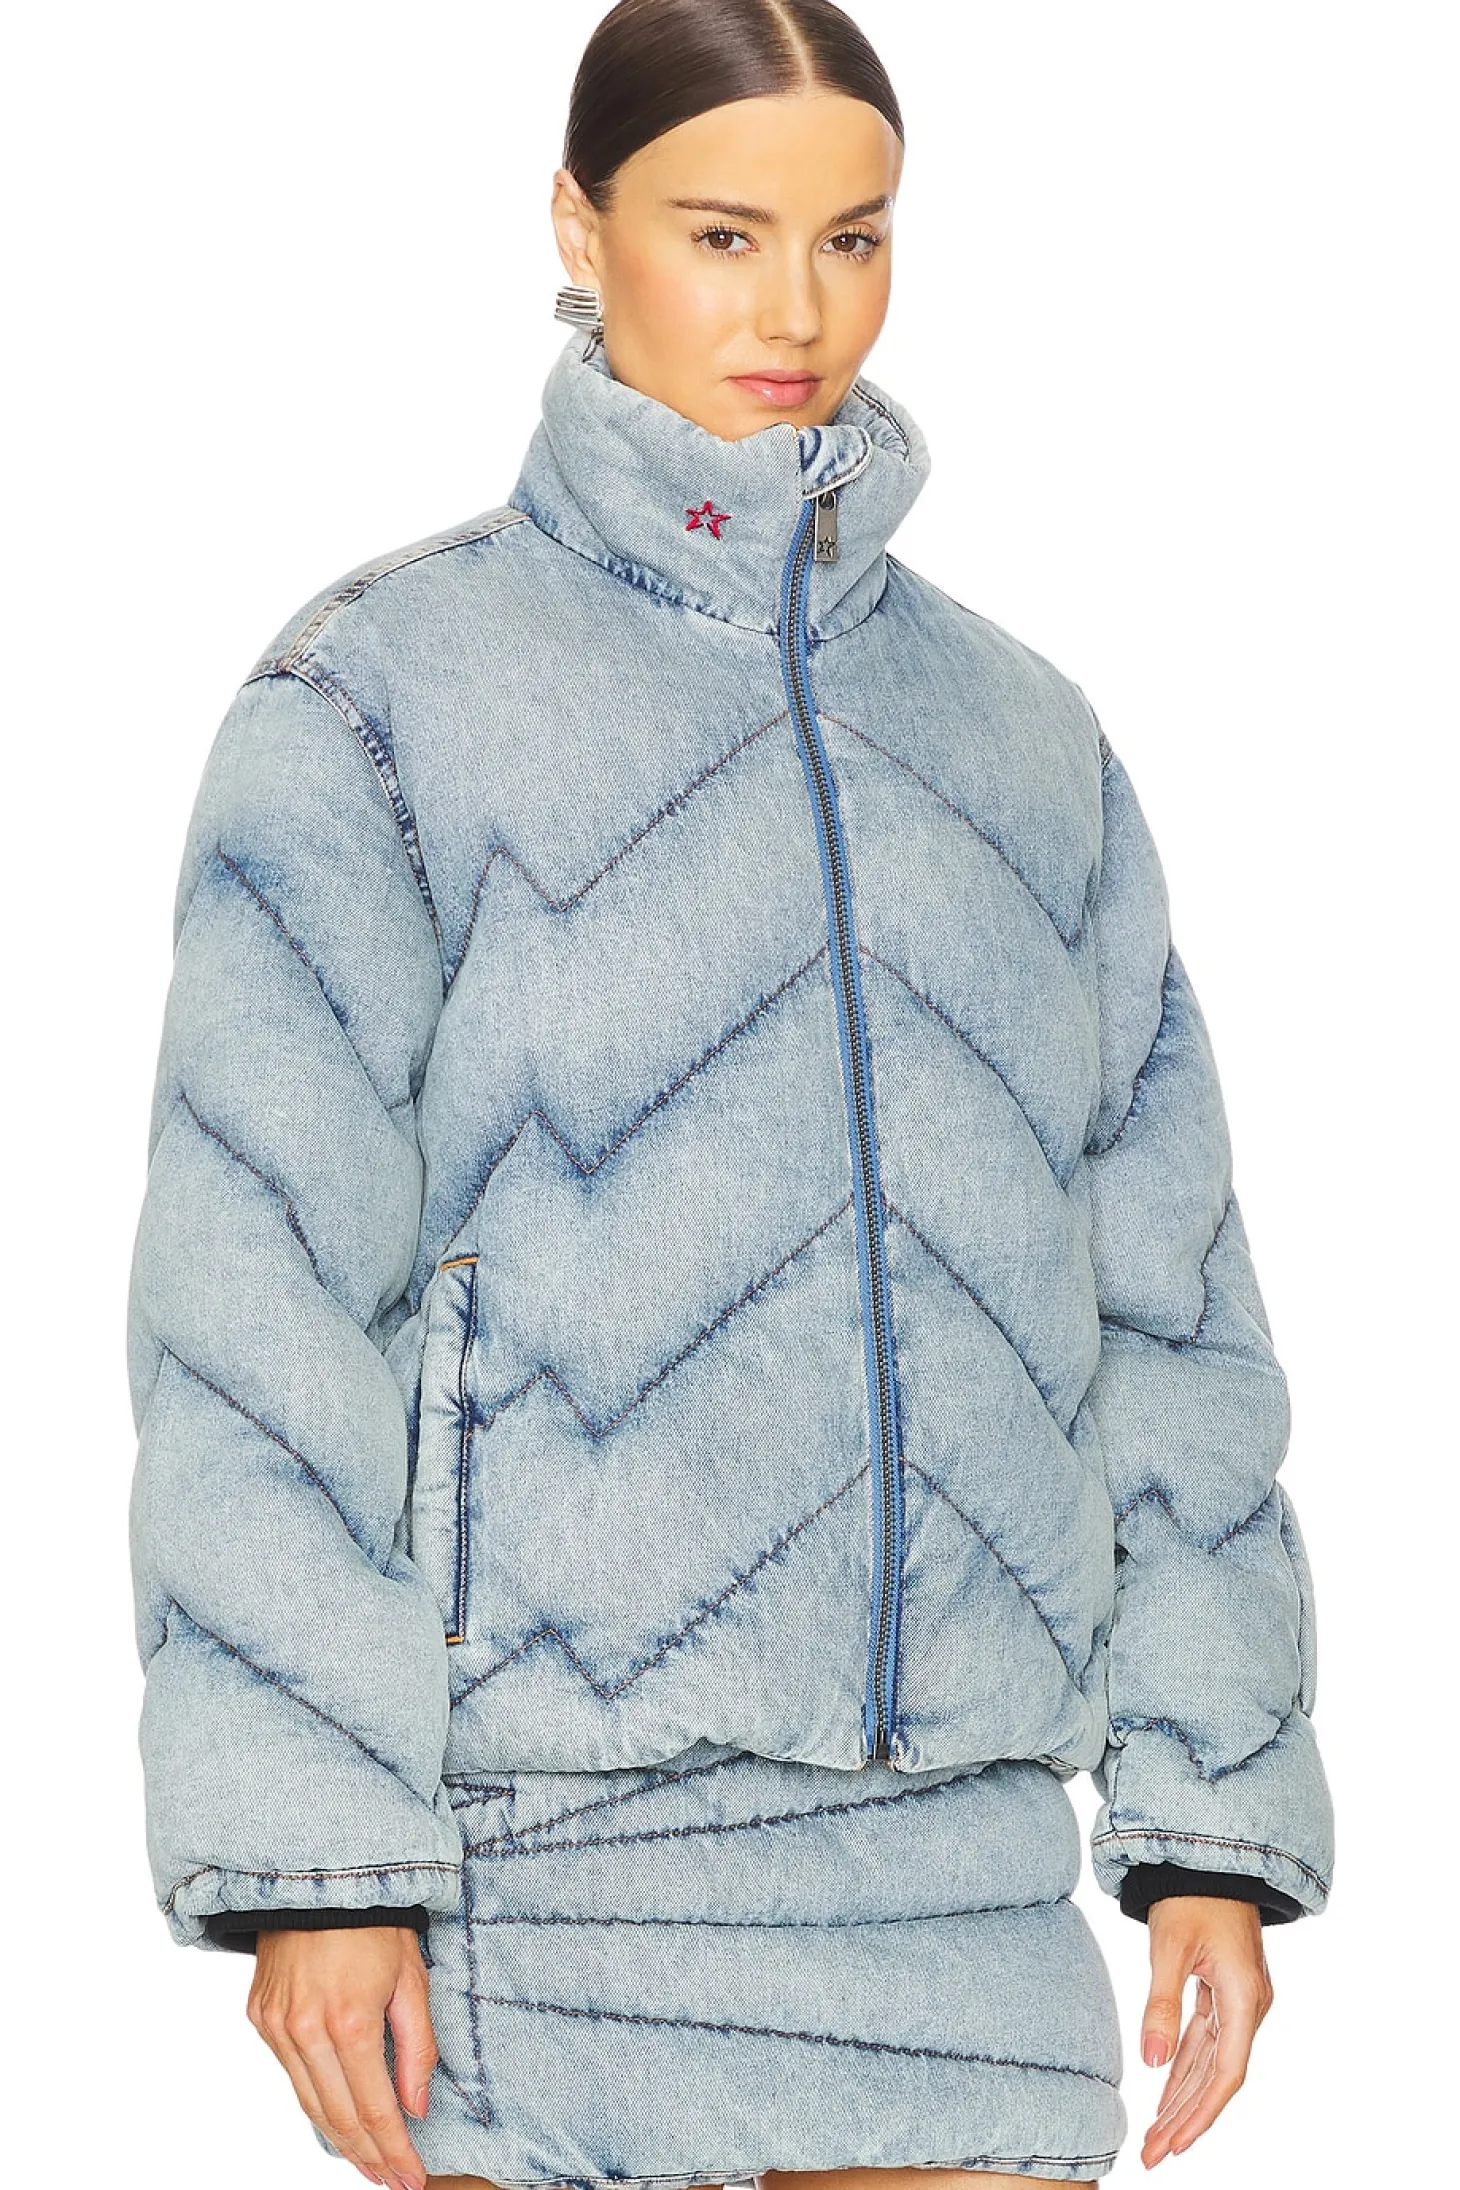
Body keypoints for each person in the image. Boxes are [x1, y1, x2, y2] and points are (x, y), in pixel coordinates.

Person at [124, 4, 1335, 2188]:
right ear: (575, 226)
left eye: (853, 238)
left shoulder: (1024, 742)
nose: (796, 311)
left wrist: (1208, 1824)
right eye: (721, 233)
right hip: (538, 1883)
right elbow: (257, 1313)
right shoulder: (374, 702)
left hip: (965, 1900)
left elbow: (1169, 1321)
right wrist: (313, 1854)